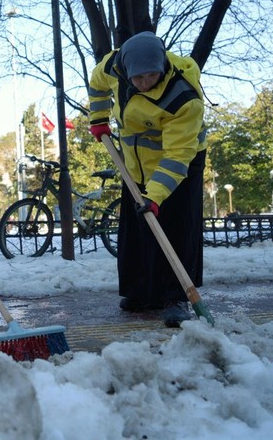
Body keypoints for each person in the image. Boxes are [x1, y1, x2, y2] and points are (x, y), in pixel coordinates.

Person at [87, 31, 207, 327]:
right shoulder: (113, 66)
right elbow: (97, 83)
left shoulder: (184, 97)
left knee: (175, 224)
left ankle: (174, 296)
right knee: (137, 225)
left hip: (179, 162)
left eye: (151, 76)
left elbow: (178, 154)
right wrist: (99, 118)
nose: (143, 83)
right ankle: (139, 291)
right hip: (134, 160)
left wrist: (155, 195)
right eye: (137, 78)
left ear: (162, 67)